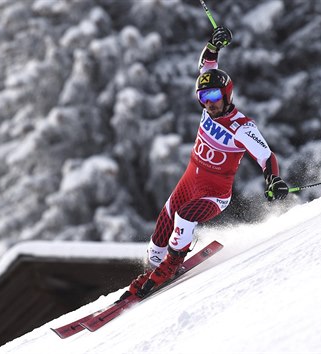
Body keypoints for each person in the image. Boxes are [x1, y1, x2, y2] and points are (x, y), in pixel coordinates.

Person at [121, 26, 289, 299]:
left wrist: (273, 179)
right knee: (158, 238)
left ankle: (171, 265)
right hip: (188, 182)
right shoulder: (208, 111)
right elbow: (206, 66)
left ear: (227, 94)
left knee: (185, 217)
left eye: (213, 97)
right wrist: (214, 45)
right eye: (203, 98)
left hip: (214, 193)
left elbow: (266, 156)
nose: (208, 104)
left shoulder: (241, 126)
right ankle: (153, 269)